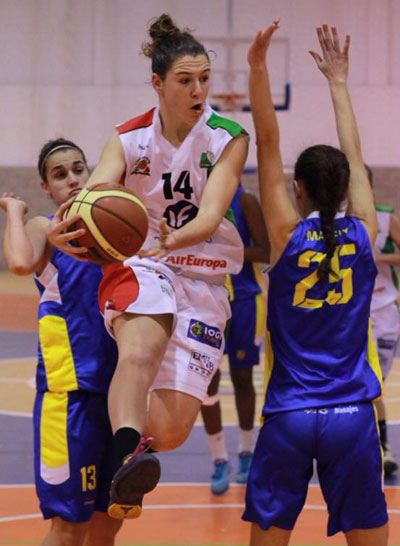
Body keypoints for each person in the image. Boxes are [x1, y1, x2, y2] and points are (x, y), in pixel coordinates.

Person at [47, 14, 248, 519]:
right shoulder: (128, 138)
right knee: (139, 351)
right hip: (143, 262)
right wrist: (68, 222)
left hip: (204, 274)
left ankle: (124, 435)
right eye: (185, 80)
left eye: (204, 78)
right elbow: (96, 192)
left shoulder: (227, 137)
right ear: (158, 83)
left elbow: (211, 215)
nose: (198, 89)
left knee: (172, 430)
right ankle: (124, 458)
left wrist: (177, 237)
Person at [243, 21, 388, 546]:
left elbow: (267, 142)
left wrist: (258, 69)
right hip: (352, 415)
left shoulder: (285, 235)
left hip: (289, 415)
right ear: (351, 187)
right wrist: (338, 84)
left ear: (297, 188)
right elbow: (355, 153)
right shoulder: (366, 232)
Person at [0, 139, 122, 546]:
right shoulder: (46, 228)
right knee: (69, 528)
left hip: (120, 398)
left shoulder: (116, 230)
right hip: (69, 398)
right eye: (60, 174)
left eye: (78, 169)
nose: (72, 179)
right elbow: (20, 262)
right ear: (46, 187)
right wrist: (14, 212)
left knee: (108, 525)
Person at [200, 184, 269, 494]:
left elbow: (265, 250)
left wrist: (223, 253)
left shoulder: (245, 200)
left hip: (243, 301)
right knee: (206, 384)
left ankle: (246, 453)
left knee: (243, 379)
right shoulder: (195, 196)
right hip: (204, 301)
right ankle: (218, 459)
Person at [367, 164, 400, 476]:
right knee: (369, 382)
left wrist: (381, 258)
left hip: (386, 310)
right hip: (353, 313)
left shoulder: (386, 219)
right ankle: (380, 446)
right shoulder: (337, 222)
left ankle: (379, 444)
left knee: (377, 383)